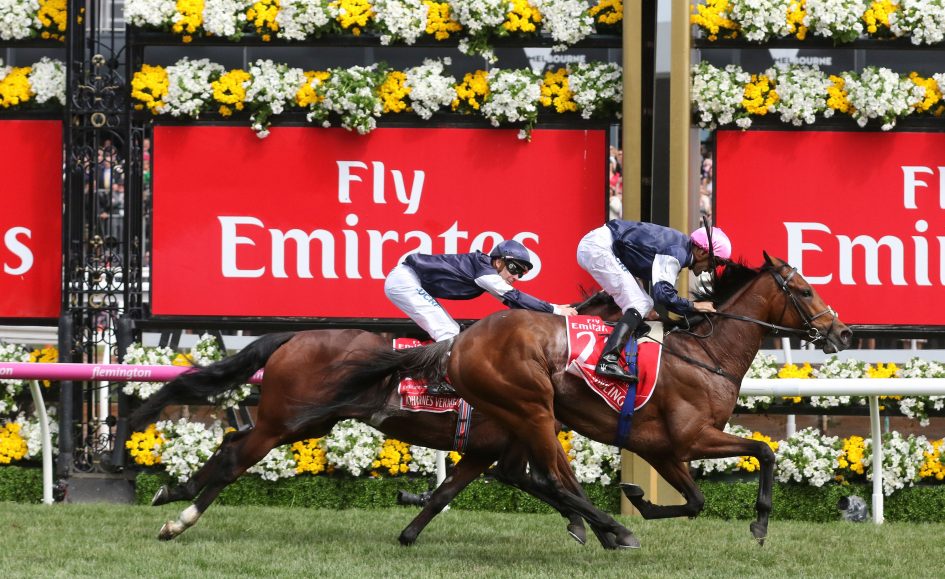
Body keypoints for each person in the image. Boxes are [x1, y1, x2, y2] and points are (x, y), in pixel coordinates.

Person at [385, 240, 579, 392]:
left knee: (454, 332)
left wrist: (552, 310)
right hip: (405, 280)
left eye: (521, 273)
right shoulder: (485, 272)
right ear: (498, 261)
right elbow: (515, 297)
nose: (516, 277)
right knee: (448, 332)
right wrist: (555, 310)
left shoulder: (486, 270)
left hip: (408, 280)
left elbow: (513, 302)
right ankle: (436, 382)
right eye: (514, 268)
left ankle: (433, 376)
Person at [576, 220, 732, 382]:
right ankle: (607, 360)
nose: (712, 269)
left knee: (646, 304)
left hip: (604, 246)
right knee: (638, 304)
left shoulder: (680, 249)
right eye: (716, 262)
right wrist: (693, 306)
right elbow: (663, 295)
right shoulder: (676, 252)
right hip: (599, 247)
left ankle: (623, 346)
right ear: (701, 252)